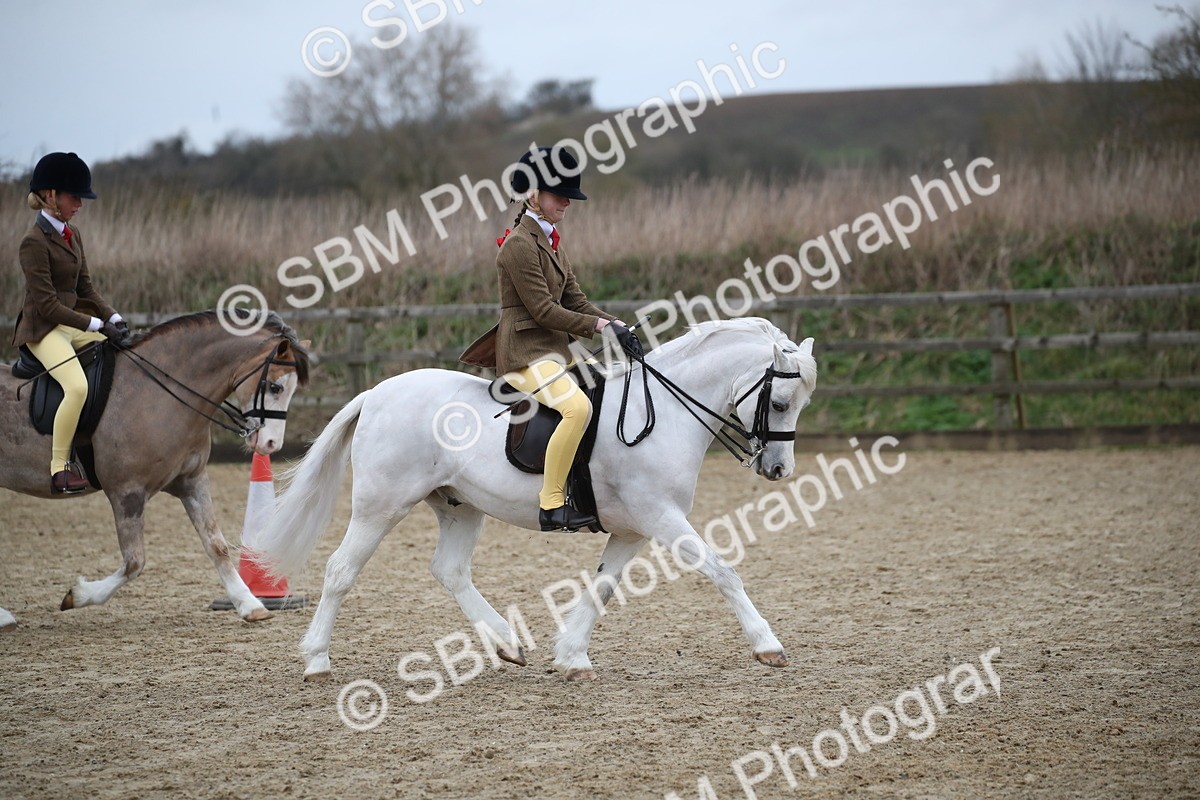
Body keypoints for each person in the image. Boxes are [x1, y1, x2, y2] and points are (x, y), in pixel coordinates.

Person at [461, 146, 636, 531]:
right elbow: (543, 310)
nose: (567, 203)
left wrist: (616, 324)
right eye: (560, 196)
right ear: (534, 194)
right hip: (525, 355)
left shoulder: (552, 241)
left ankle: (590, 486)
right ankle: (552, 503)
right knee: (577, 409)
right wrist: (599, 329)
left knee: (609, 387)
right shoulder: (518, 247)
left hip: (557, 352)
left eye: (569, 197)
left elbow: (576, 300)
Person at [12, 152, 129, 494]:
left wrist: (113, 317)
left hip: (72, 324)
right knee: (76, 386)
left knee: (117, 356)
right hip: (44, 329)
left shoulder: (72, 234)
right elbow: (47, 305)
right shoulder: (32, 244)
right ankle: (59, 468)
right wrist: (94, 324)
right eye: (73, 197)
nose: (79, 203)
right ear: (50, 196)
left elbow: (85, 287)